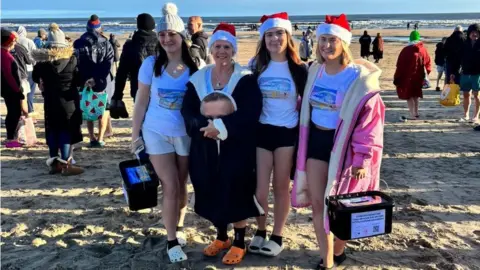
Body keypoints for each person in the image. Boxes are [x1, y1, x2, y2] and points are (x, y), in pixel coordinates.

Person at [291, 14, 385, 269]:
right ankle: (329, 261)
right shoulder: (314, 71)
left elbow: (369, 124)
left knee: (340, 207)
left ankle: (338, 251)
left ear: (344, 42)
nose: (326, 45)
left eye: (332, 40)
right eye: (323, 39)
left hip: (344, 147)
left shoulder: (359, 78)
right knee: (320, 206)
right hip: (316, 144)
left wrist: (363, 157)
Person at [181, 22, 263, 265]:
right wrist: (203, 127)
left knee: (236, 188)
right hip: (204, 143)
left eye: (227, 47)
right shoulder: (199, 78)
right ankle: (221, 237)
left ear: (233, 50)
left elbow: (251, 111)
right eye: (217, 46)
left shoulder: (245, 79)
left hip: (236, 144)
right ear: (211, 49)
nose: (221, 51)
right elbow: (187, 110)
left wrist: (223, 128)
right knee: (210, 187)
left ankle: (239, 241)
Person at [130, 3, 198, 263]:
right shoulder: (150, 64)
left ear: (182, 36)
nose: (167, 39)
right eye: (162, 34)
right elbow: (140, 101)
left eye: (171, 34)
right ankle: (171, 240)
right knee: (169, 185)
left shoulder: (195, 65)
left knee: (182, 185)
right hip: (156, 132)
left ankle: (179, 227)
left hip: (185, 134)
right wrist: (135, 135)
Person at [247, 12, 308, 257]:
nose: (274, 38)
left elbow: (308, 102)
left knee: (281, 187)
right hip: (261, 132)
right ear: (264, 38)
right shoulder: (256, 66)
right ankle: (260, 231)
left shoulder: (299, 69)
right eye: (269, 34)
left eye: (279, 33)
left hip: (286, 134)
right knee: (260, 190)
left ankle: (277, 235)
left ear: (288, 36)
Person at [31, 24, 84, 176]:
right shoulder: (72, 60)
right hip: (68, 101)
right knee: (66, 131)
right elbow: (79, 80)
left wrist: (43, 83)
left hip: (51, 100)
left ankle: (54, 164)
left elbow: (35, 77)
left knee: (53, 130)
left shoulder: (43, 63)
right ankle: (66, 164)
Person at [74, 15, 114, 148]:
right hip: (103, 81)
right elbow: (108, 64)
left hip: (85, 81)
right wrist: (96, 79)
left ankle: (92, 137)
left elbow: (76, 63)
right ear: (99, 28)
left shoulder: (78, 43)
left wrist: (86, 79)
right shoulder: (106, 43)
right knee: (104, 108)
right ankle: (100, 138)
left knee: (88, 107)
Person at [110, 13, 158, 120]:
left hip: (138, 88)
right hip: (159, 88)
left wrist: (118, 94)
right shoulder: (161, 43)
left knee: (142, 119)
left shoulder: (130, 45)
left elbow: (122, 72)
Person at [394, 31, 432, 121]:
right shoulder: (423, 49)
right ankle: (416, 112)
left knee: (409, 96)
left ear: (410, 38)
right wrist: (426, 74)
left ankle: (411, 114)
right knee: (416, 95)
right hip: (419, 77)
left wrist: (397, 76)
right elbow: (428, 63)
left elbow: (400, 65)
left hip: (408, 77)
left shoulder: (406, 50)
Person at [1, 28, 27, 148]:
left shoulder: (5, 54)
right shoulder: (4, 55)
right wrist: (17, 90)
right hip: (10, 90)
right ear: (8, 42)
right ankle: (11, 138)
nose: (15, 44)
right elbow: (8, 74)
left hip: (8, 89)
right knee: (13, 113)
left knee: (13, 112)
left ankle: (11, 137)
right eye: (13, 42)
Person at [459, 23, 480, 123]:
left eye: (476, 32)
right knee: (466, 95)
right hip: (465, 73)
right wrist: (455, 71)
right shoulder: (464, 44)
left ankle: (476, 116)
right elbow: (459, 58)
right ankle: (466, 115)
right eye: (472, 32)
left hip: (477, 74)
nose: (474, 34)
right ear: (469, 33)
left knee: (477, 95)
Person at [16, 26, 38, 116]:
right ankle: (30, 110)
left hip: (17, 70)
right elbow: (35, 55)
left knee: (19, 92)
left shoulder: (14, 42)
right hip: (29, 69)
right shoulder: (29, 41)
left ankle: (20, 111)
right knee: (30, 92)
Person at [10, 34, 32, 119]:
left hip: (9, 77)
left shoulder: (4, 48)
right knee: (23, 99)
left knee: (12, 100)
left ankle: (16, 117)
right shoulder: (21, 47)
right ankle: (25, 117)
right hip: (21, 76)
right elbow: (29, 61)